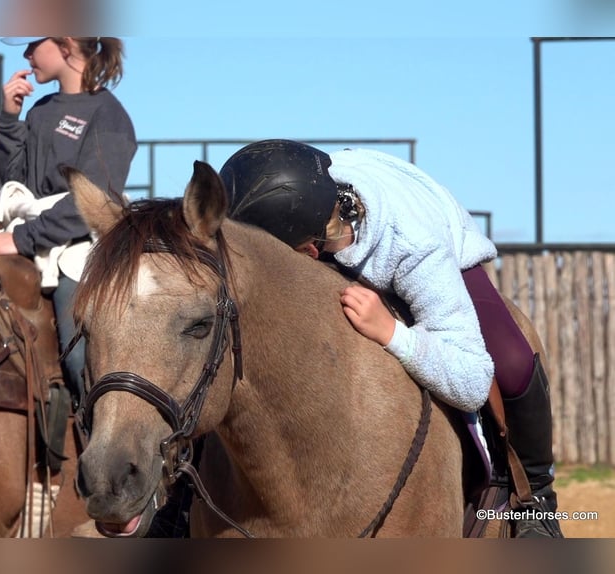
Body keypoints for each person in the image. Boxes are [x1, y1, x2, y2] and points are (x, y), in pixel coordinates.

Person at [219, 139, 563, 538]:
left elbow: (471, 382)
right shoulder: (297, 214)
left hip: (429, 230)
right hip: (338, 220)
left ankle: (537, 499)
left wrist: (392, 333)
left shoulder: (413, 245)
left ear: (309, 251)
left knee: (512, 359)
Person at [0, 37, 137, 407]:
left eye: (33, 43)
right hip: (28, 236)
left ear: (66, 42)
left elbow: (94, 199)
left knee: (79, 355)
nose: (26, 55)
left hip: (82, 248)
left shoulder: (109, 117)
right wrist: (9, 118)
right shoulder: (41, 110)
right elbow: (15, 183)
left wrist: (23, 240)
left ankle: (101, 449)